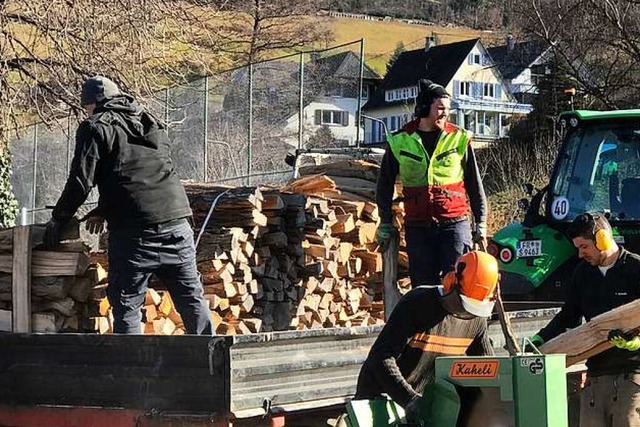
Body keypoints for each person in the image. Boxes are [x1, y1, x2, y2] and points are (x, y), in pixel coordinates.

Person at [43, 75, 214, 335]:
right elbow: (137, 173)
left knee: (127, 303)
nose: (86, 112)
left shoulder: (95, 126)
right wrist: (104, 208)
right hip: (178, 224)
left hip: (135, 234)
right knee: (191, 299)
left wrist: (59, 218)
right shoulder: (150, 122)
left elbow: (81, 181)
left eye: (85, 107)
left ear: (92, 103)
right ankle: (213, 366)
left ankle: (133, 370)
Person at [354, 250, 498, 423]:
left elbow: (489, 371)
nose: (466, 312)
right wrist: (409, 399)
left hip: (421, 405)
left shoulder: (476, 321)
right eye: (463, 305)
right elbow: (381, 356)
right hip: (381, 399)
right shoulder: (417, 304)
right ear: (451, 281)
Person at [529, 212, 640, 427]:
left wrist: (636, 343)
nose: (580, 254)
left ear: (603, 238)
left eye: (584, 247)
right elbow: (568, 316)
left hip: (632, 375)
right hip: (596, 377)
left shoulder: (635, 268)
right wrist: (540, 339)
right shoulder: (583, 274)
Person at [376, 79, 487, 288]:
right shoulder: (400, 141)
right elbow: (384, 184)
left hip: (455, 224)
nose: (445, 114)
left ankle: (456, 321)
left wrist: (481, 222)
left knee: (457, 283)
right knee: (424, 287)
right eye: (441, 109)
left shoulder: (459, 138)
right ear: (424, 108)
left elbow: (474, 184)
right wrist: (385, 221)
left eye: (447, 109)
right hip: (418, 227)